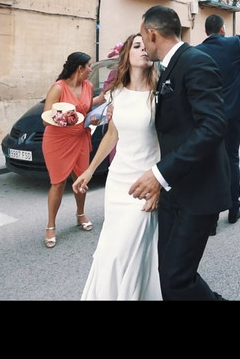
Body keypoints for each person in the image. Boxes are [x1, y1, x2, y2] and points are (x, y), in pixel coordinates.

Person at [129, 5, 231, 301]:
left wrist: (160, 174)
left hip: (199, 191)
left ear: (151, 33)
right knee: (170, 274)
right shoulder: (166, 67)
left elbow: (212, 127)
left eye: (143, 38)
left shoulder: (196, 62)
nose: (144, 44)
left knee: (177, 279)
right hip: (174, 190)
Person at [73, 34, 162, 300]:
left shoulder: (161, 95)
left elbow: (170, 141)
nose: (143, 49)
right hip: (118, 182)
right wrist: (89, 170)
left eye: (146, 45)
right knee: (111, 251)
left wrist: (160, 182)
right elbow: (113, 134)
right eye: (136, 46)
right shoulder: (117, 94)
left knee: (132, 250)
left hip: (145, 184)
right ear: (126, 56)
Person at [196, 14, 240, 234]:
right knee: (232, 159)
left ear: (206, 31)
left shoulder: (197, 51)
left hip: (208, 115)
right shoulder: (233, 44)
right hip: (232, 112)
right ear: (222, 29)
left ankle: (212, 216)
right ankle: (234, 208)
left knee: (211, 164)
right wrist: (239, 44)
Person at [42, 51, 107, 248]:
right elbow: (46, 116)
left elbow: (87, 107)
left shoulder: (88, 86)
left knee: (81, 180)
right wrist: (67, 118)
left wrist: (100, 106)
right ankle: (51, 225)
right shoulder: (58, 87)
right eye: (88, 66)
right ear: (80, 68)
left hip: (80, 138)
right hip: (58, 140)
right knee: (58, 183)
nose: (90, 69)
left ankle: (80, 214)